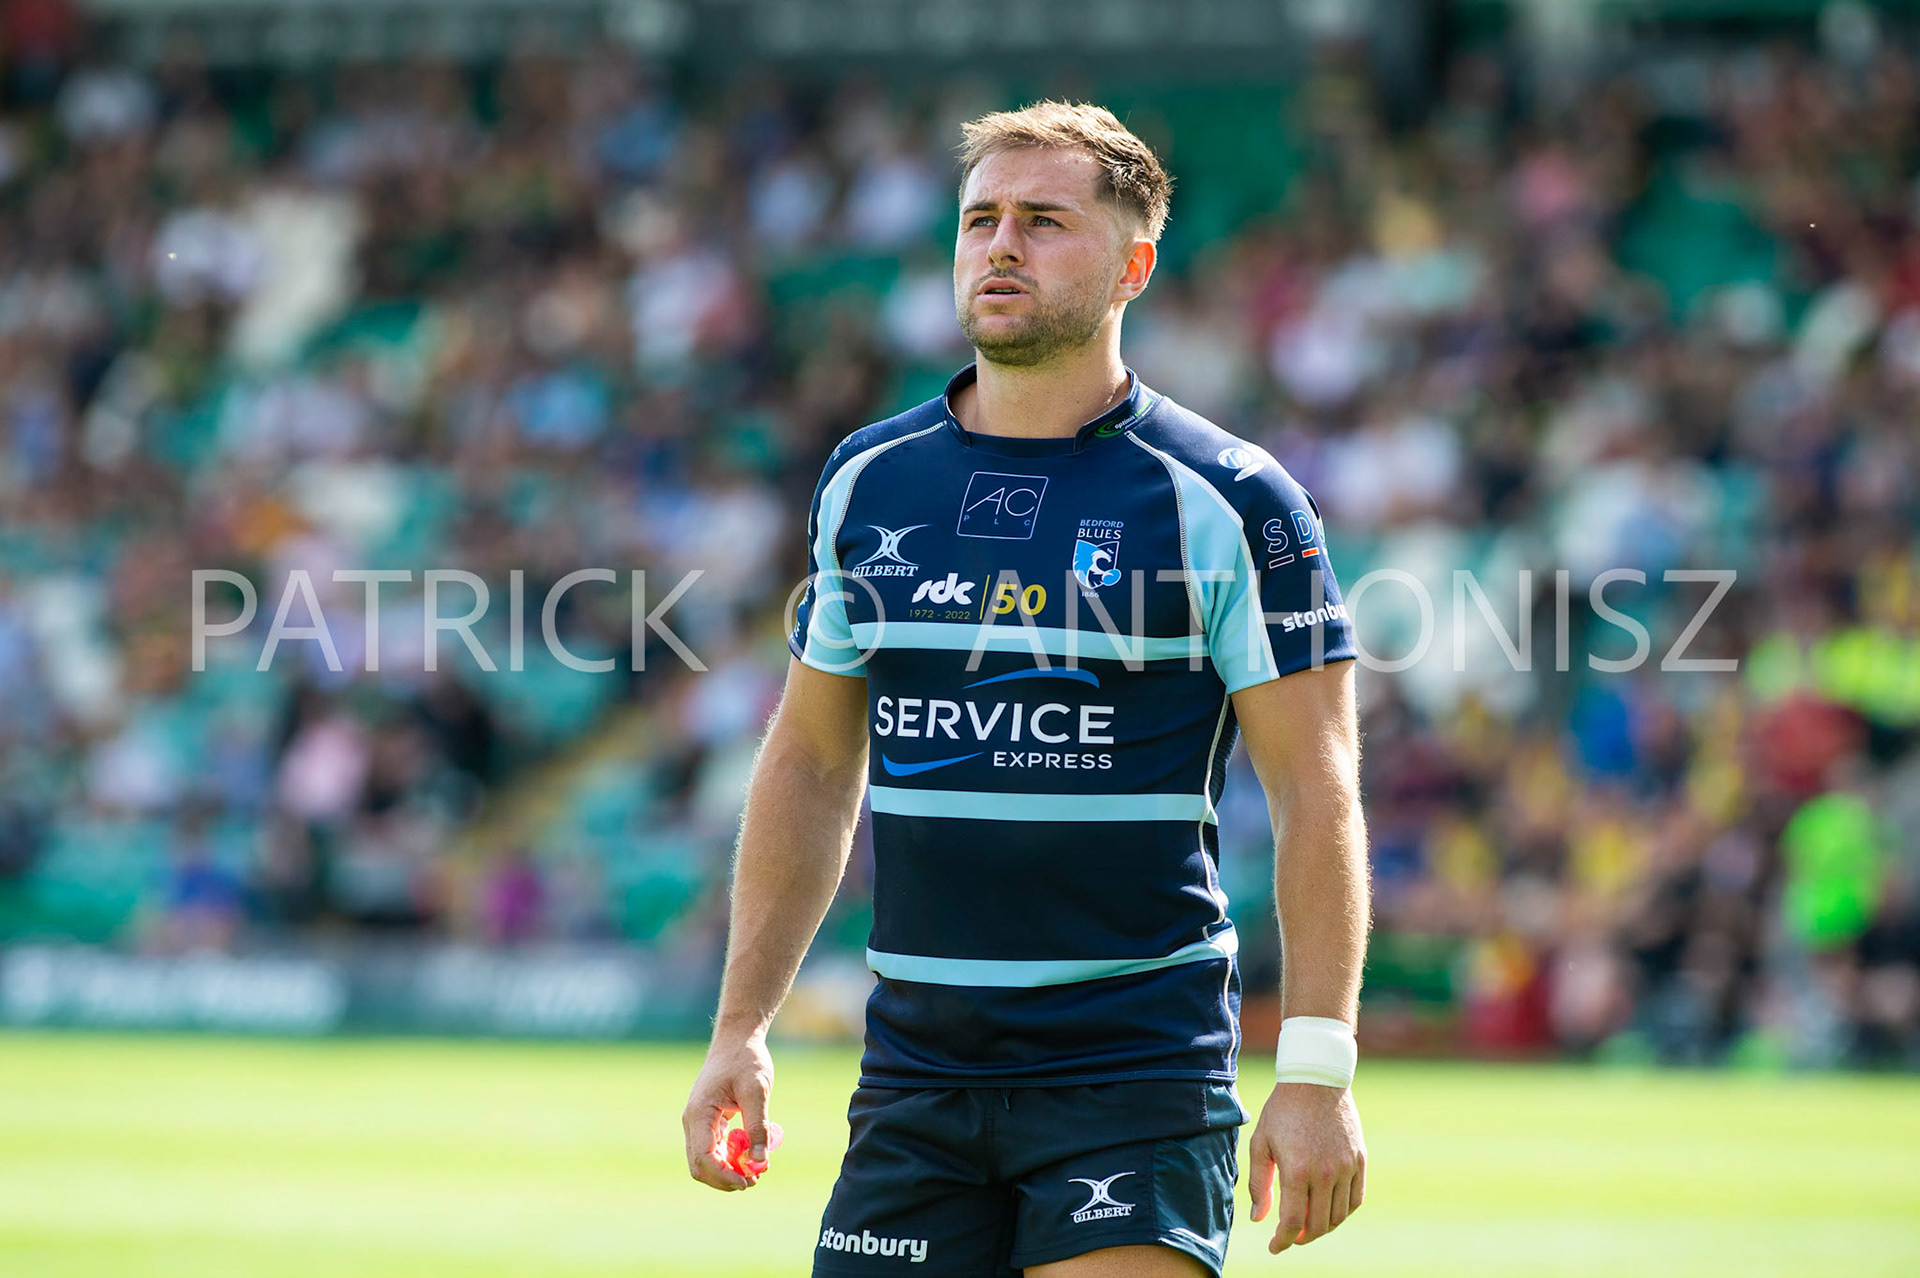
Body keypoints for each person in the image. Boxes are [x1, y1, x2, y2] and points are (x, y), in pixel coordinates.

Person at [683, 101, 1370, 1278]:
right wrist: (741, 1027)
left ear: (1131, 266)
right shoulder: (868, 482)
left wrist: (1314, 1072)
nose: (1000, 246)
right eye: (981, 220)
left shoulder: (1231, 499)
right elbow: (806, 762)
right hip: (915, 1077)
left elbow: (1318, 789)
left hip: (1132, 1074)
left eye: (1044, 221)